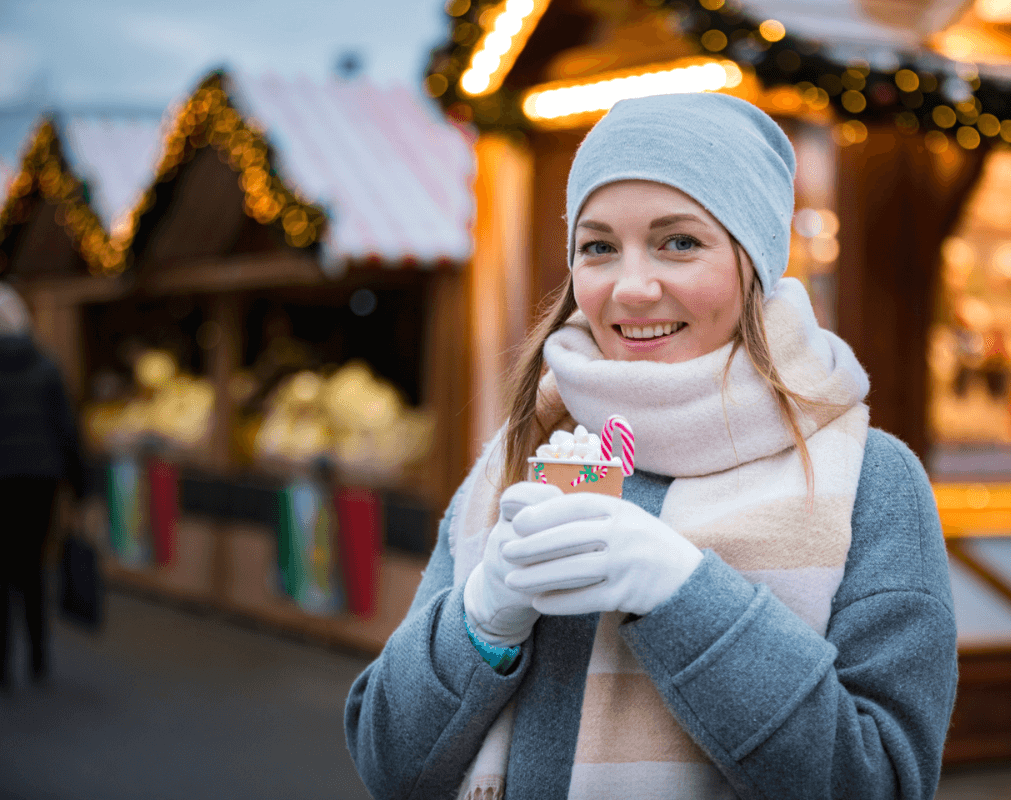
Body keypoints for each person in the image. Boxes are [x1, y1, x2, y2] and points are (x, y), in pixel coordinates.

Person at [345, 93, 957, 800]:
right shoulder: (519, 455)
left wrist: (684, 595)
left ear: (752, 260)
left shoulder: (870, 480)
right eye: (598, 247)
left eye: (679, 241)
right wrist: (481, 619)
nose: (632, 288)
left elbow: (879, 781)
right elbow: (387, 762)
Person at [0, 282, 86, 690]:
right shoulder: (45, 365)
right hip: (41, 479)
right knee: (33, 564)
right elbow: (66, 429)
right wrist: (80, 483)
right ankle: (38, 657)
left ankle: (3, 666)